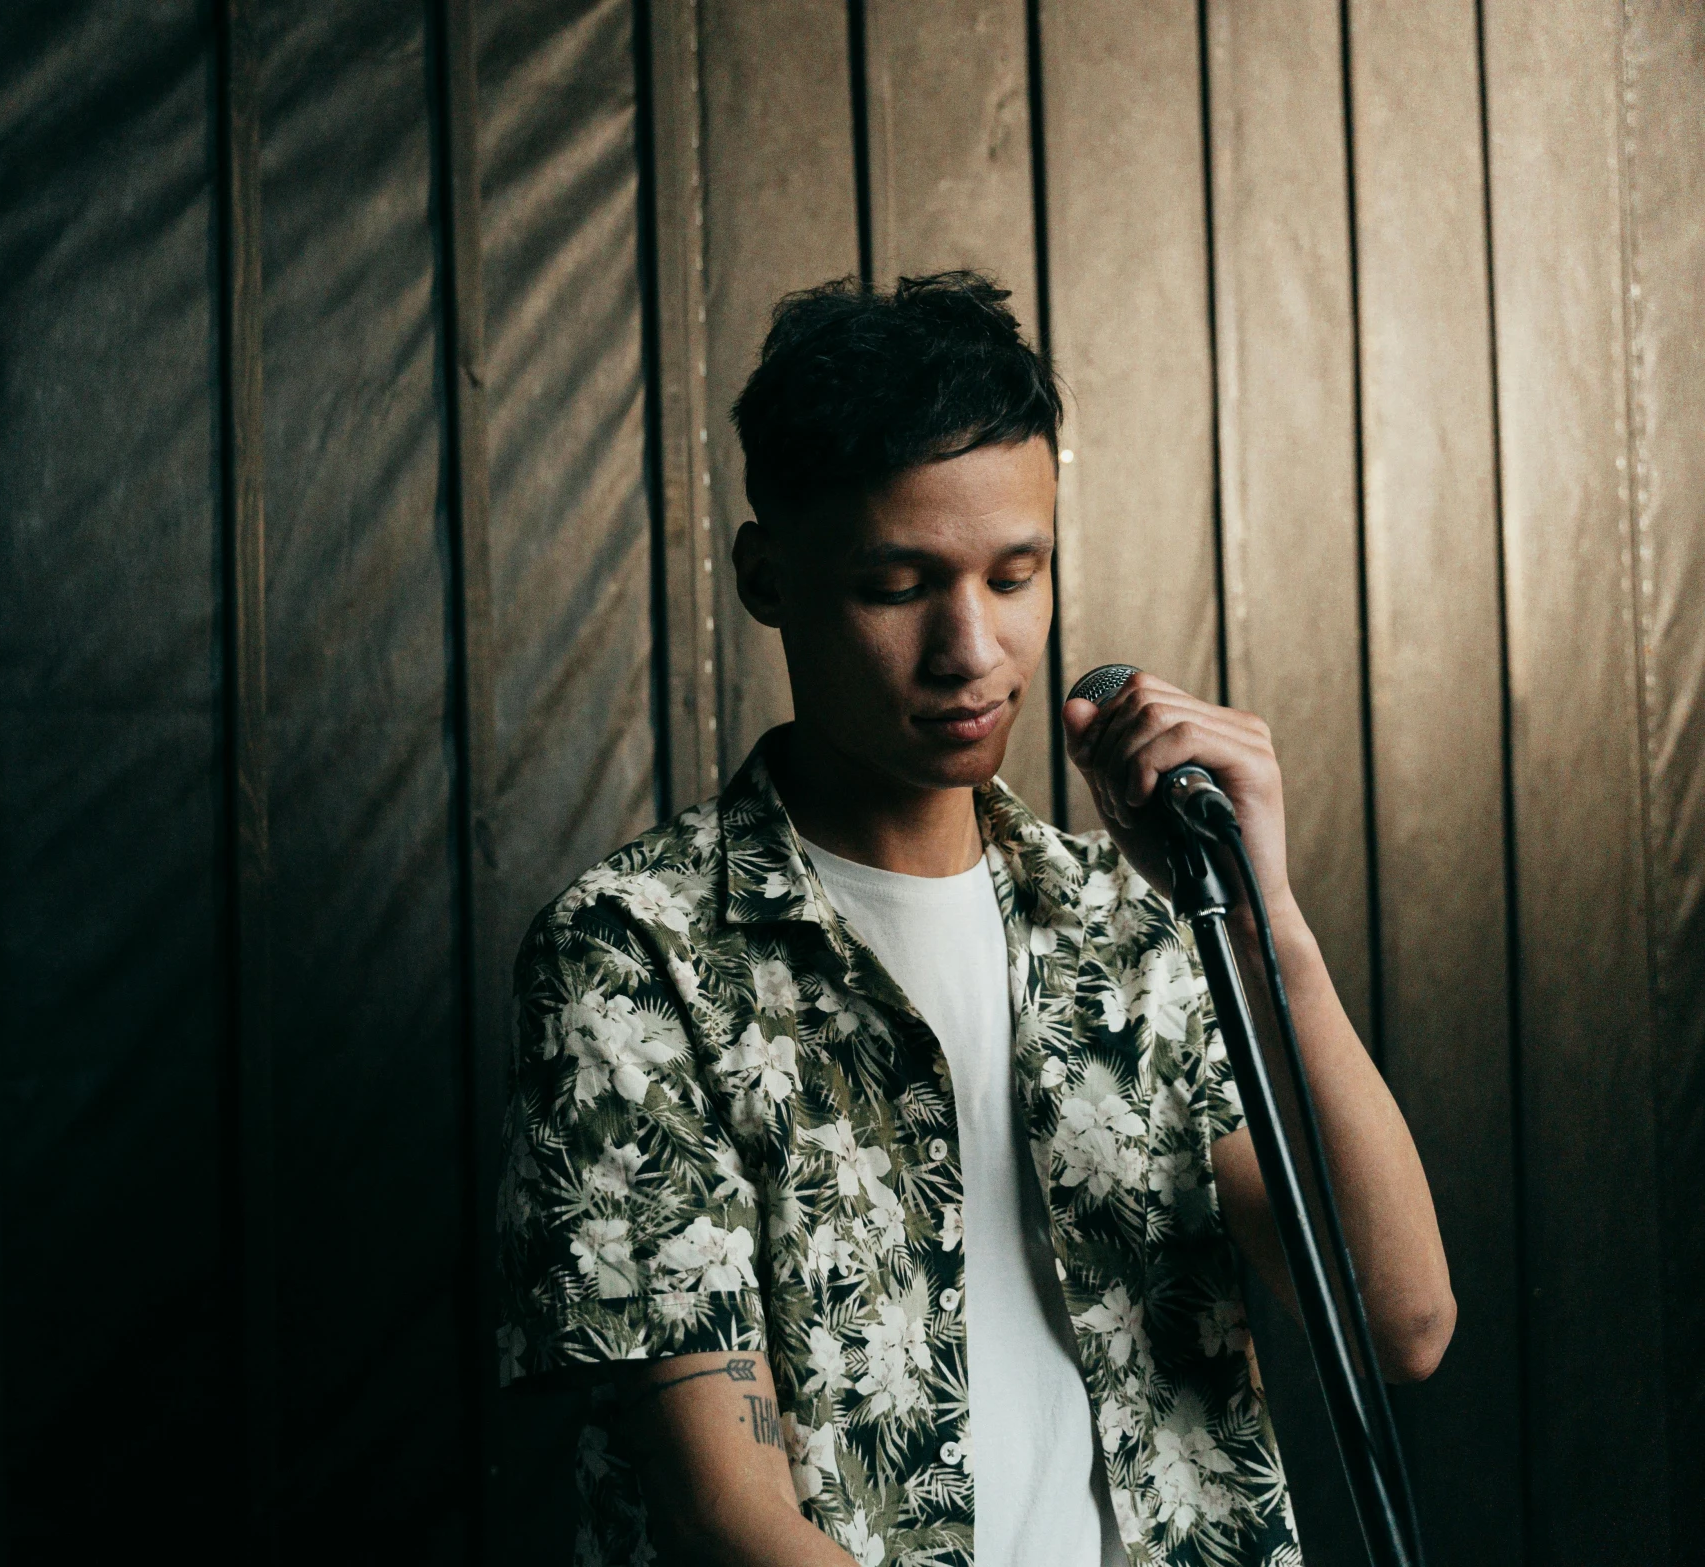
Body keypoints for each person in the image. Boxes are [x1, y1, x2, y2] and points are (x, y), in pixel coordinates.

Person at [492, 273, 1453, 1567]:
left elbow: (1399, 1323)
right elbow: (729, 1517)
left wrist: (1263, 920)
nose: (972, 647)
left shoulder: (1127, 925)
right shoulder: (638, 949)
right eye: (897, 583)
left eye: (1016, 575)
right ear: (767, 575)